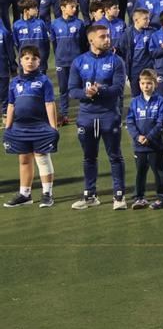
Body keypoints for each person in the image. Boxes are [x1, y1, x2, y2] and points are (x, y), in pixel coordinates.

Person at [68, 24, 129, 210]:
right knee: (89, 157)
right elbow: (72, 90)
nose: (107, 39)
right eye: (103, 36)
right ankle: (90, 195)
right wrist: (86, 93)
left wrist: (98, 90)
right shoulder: (78, 62)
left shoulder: (116, 61)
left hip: (109, 115)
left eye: (108, 36)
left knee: (115, 156)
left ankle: (119, 196)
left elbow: (118, 89)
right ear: (91, 40)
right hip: (86, 116)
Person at [2, 47, 59, 208]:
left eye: (34, 59)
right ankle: (25, 194)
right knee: (24, 159)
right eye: (26, 58)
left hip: (39, 126)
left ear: (39, 62)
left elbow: (49, 104)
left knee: (42, 157)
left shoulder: (44, 81)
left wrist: (53, 127)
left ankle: (47, 193)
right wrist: (8, 128)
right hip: (20, 127)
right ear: (20, 61)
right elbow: (11, 105)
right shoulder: (15, 83)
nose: (30, 62)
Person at [125, 69, 163, 209]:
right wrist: (137, 136)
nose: (146, 86)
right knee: (140, 172)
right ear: (139, 84)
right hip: (139, 146)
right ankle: (139, 197)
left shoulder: (160, 101)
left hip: (155, 145)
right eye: (143, 83)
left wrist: (149, 137)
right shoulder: (135, 103)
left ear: (155, 84)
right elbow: (130, 122)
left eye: (149, 83)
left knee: (159, 172)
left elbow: (161, 122)